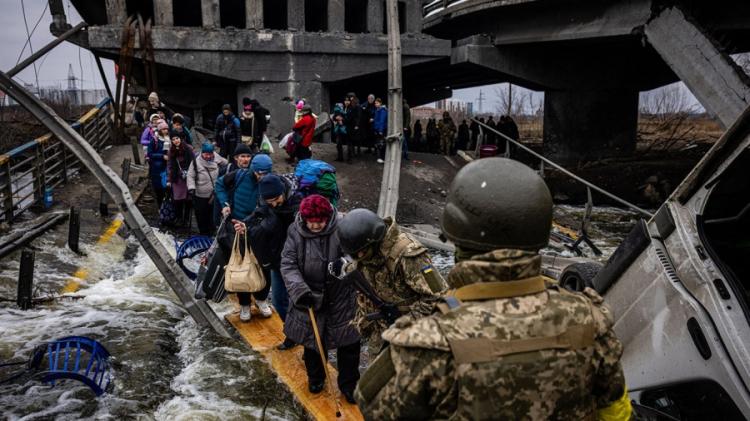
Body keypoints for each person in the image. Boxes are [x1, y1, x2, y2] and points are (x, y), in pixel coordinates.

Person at [355, 157, 632, 420]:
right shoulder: (590, 321)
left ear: (456, 236)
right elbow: (617, 410)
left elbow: (373, 408)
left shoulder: (427, 344)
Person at [334, 208, 448, 358]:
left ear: (374, 241)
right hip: (380, 333)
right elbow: (362, 266)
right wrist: (344, 268)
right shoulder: (367, 252)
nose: (359, 257)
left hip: (412, 335)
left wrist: (404, 320)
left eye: (361, 252)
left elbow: (439, 295)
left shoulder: (408, 255)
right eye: (354, 255)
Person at [281, 195, 360, 403]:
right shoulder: (294, 231)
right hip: (309, 295)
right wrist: (300, 291)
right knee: (313, 341)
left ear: (328, 217)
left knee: (349, 343)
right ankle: (316, 378)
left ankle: (349, 385)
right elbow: (288, 264)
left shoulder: (343, 226)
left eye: (320, 221)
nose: (316, 226)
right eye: (312, 222)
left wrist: (344, 264)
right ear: (304, 219)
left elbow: (357, 255)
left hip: (341, 296)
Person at [239, 174, 302, 350]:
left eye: (276, 199)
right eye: (269, 201)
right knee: (278, 300)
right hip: (276, 259)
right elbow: (256, 215)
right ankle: (291, 334)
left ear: (283, 192)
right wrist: (245, 226)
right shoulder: (265, 202)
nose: (273, 204)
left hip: (295, 262)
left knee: (298, 302)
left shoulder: (297, 204)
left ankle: (305, 337)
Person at [216, 147, 273, 321]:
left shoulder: (271, 182)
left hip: (259, 230)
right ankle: (245, 304)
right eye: (258, 174)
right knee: (241, 265)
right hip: (237, 229)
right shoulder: (239, 175)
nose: (261, 177)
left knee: (263, 265)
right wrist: (225, 203)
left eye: (265, 174)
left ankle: (262, 299)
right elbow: (219, 184)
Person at [187, 142, 228, 235]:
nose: (208, 156)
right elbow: (190, 176)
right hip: (200, 195)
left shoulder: (216, 159)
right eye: (206, 154)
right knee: (201, 215)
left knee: (212, 214)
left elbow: (226, 164)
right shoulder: (195, 162)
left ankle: (211, 231)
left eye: (210, 154)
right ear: (202, 153)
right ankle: (203, 232)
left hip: (214, 194)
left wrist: (218, 159)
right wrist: (191, 187)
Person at [166, 130, 194, 227]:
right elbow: (169, 165)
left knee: (188, 199)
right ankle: (179, 218)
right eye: (173, 139)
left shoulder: (189, 148)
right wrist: (169, 180)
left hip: (188, 177)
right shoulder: (171, 151)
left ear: (181, 138)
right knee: (177, 199)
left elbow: (194, 163)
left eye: (177, 138)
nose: (175, 141)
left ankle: (186, 219)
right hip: (177, 178)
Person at [146, 121, 169, 207]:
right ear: (159, 130)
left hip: (167, 167)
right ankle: (161, 207)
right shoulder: (154, 140)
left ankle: (167, 207)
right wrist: (162, 156)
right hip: (157, 169)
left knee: (166, 189)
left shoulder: (169, 139)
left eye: (166, 129)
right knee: (159, 190)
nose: (165, 130)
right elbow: (150, 154)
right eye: (163, 129)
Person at [344, 93, 362, 158]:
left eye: (351, 97)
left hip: (356, 124)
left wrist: (357, 124)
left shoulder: (356, 104)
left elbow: (358, 116)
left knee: (357, 139)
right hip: (352, 124)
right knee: (352, 139)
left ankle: (358, 152)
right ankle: (353, 152)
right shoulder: (351, 104)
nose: (350, 98)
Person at [372, 98, 388, 164]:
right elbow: (377, 120)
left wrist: (381, 130)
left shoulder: (382, 110)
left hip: (381, 129)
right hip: (377, 129)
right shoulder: (377, 110)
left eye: (377, 103)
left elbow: (382, 121)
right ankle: (380, 157)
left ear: (380, 103)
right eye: (375, 103)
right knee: (379, 143)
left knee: (382, 144)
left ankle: (382, 158)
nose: (376, 104)